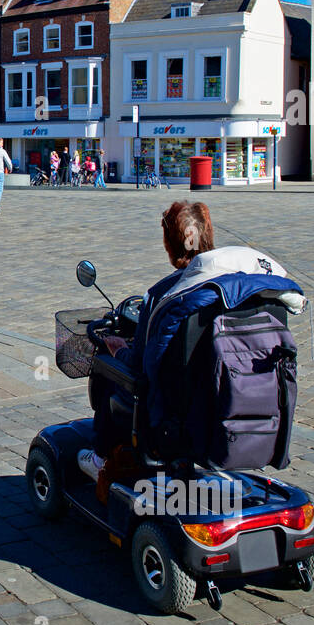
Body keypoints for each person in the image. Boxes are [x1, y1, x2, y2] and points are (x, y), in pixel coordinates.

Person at [82, 201, 216, 483]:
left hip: (170, 410)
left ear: (170, 244)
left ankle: (100, 456)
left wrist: (118, 349)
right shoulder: (230, 284)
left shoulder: (165, 294)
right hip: (216, 399)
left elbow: (141, 363)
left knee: (108, 365)